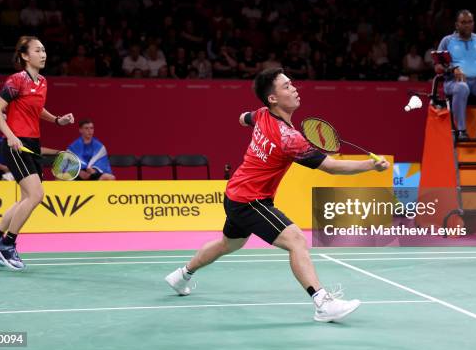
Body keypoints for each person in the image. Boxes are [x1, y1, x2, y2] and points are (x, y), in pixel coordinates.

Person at [165, 68, 390, 323]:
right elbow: (331, 167)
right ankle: (322, 302)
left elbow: (243, 118)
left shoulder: (261, 114)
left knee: (230, 244)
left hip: (235, 193)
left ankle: (182, 275)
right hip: (251, 199)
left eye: (291, 84)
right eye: (286, 86)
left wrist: (246, 120)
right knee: (296, 240)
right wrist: (371, 165)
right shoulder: (290, 139)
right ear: (272, 98)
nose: (294, 89)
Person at [0, 35, 74, 270]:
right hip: (16, 144)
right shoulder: (16, 80)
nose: (43, 54)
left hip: (32, 144)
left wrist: (57, 120)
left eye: (44, 50)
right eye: (38, 50)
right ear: (24, 55)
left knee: (25, 198)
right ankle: (7, 244)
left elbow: (37, 109)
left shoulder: (42, 82)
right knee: (36, 195)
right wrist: (10, 136)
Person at [436, 10, 476, 141]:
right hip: (455, 82)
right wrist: (452, 69)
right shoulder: (447, 41)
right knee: (462, 88)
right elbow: (437, 66)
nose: (467, 25)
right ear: (457, 25)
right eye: (463, 22)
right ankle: (461, 130)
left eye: (470, 22)